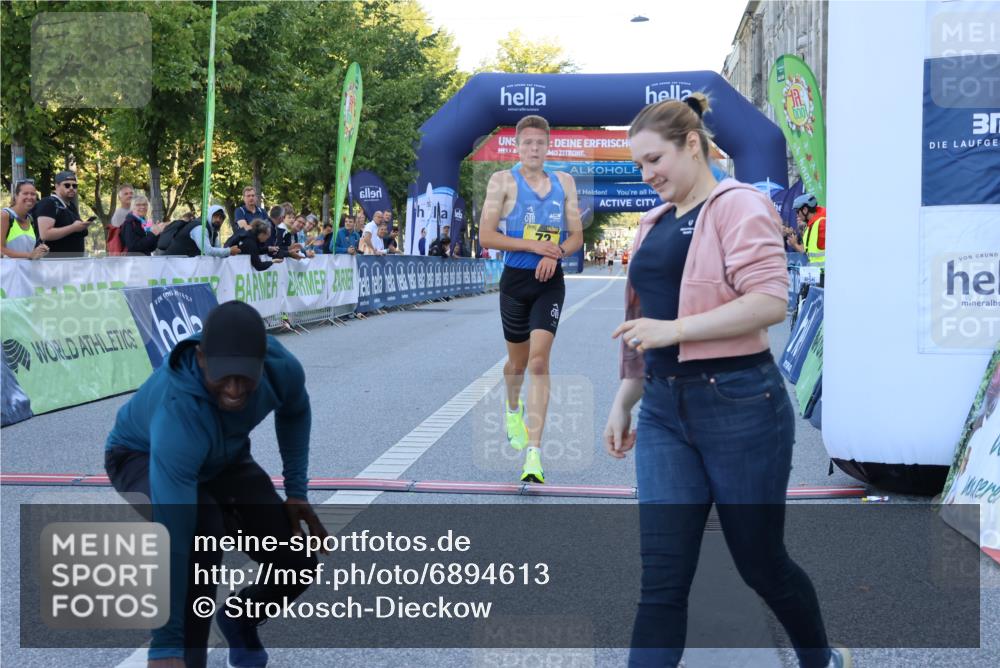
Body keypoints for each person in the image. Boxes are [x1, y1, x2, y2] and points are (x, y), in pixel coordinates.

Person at [604, 94, 850, 668]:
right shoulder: (654, 221)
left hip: (740, 404)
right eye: (638, 165)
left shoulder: (740, 205)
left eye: (653, 160)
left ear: (692, 144)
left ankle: (820, 660)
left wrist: (677, 330)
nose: (646, 176)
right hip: (664, 410)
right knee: (661, 580)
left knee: (760, 561)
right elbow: (647, 319)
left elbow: (768, 303)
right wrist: (625, 399)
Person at [104, 300, 328, 668]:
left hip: (224, 456)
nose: (236, 389)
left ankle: (239, 619)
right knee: (200, 534)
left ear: (263, 361)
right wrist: (165, 644)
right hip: (138, 455)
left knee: (297, 562)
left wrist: (296, 492)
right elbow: (172, 535)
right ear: (201, 357)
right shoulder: (178, 409)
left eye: (245, 376)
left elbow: (296, 410)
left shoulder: (282, 368)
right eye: (224, 375)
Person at [477, 114, 584, 483]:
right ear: (518, 146)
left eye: (540, 143)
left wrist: (554, 254)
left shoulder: (564, 182)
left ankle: (534, 455)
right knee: (516, 365)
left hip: (550, 281)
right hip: (516, 280)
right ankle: (511, 408)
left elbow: (575, 238)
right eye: (527, 143)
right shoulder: (502, 181)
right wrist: (534, 247)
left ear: (548, 145)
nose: (534, 149)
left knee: (539, 363)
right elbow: (487, 237)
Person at [35, 170, 91, 257]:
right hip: (54, 263)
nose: (71, 188)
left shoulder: (71, 206)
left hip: (72, 263)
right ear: (56, 186)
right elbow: (45, 234)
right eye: (67, 185)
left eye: (75, 186)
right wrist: (73, 228)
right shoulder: (49, 203)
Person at [161, 205, 241, 258]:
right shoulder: (200, 228)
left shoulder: (213, 232)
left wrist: (230, 252)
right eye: (216, 216)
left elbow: (217, 250)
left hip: (183, 266)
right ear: (210, 215)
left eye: (221, 218)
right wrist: (229, 251)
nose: (218, 220)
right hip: (170, 265)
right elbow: (208, 251)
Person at [1, 179, 48, 260]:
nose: (29, 197)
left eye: (33, 194)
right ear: (16, 196)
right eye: (25, 193)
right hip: (7, 272)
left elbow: (27, 251)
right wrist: (29, 255)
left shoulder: (30, 219)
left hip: (27, 272)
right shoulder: (4, 215)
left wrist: (39, 251)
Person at [795, 193, 826, 281]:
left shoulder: (822, 224)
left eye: (797, 211)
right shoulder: (810, 226)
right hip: (816, 277)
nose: (797, 215)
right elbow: (809, 252)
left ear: (805, 210)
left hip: (825, 279)